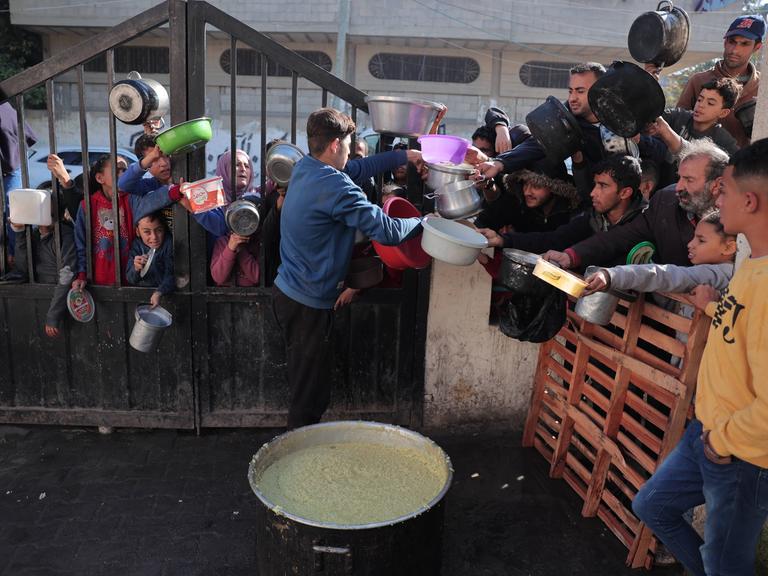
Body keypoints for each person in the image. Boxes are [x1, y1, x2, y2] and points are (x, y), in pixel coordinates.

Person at [631, 138, 768, 576]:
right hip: (708, 432)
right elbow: (742, 325)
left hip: (741, 455)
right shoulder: (753, 262)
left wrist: (720, 443)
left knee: (725, 564)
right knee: (652, 506)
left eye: (722, 189)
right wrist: (711, 306)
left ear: (749, 200)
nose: (716, 196)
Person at [272, 107, 423, 429]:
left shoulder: (305, 168)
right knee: (309, 395)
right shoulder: (336, 187)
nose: (351, 154)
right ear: (336, 145)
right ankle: (298, 460)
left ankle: (301, 444)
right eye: (349, 144)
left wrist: (403, 156)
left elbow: (358, 167)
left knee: (307, 383)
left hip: (289, 293)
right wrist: (424, 221)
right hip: (307, 304)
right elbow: (388, 231)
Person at [543, 140, 729, 271]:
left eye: (688, 180)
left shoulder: (738, 221)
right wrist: (571, 256)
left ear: (717, 184)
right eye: (679, 177)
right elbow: (620, 237)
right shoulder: (665, 201)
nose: (679, 187)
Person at [479, 155, 646, 265]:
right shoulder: (592, 219)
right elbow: (553, 240)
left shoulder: (647, 222)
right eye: (595, 185)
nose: (593, 193)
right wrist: (503, 240)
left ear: (625, 192)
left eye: (602, 186)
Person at [71, 154, 181, 289]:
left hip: (132, 278)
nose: (123, 174)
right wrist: (81, 274)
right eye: (118, 170)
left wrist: (177, 190)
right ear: (100, 178)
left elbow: (152, 201)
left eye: (125, 170)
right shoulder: (87, 205)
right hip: (98, 282)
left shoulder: (131, 199)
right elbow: (81, 244)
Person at [582, 209, 735, 296]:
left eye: (701, 240)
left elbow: (667, 275)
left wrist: (613, 275)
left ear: (729, 247)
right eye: (693, 237)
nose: (690, 244)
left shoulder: (721, 274)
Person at [676, 14, 764, 148]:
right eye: (732, 41)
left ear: (757, 47)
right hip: (696, 163)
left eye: (745, 43)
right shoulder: (699, 81)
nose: (735, 50)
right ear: (725, 42)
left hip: (744, 166)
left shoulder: (763, 88)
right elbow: (676, 125)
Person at [9, 190, 77, 338]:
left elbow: (67, 276)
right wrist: (19, 231)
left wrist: (53, 315)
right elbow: (23, 269)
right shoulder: (33, 234)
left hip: (60, 306)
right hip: (38, 302)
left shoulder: (64, 235)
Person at [651, 77, 740, 165]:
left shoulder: (724, 141)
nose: (701, 105)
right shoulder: (678, 116)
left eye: (710, 103)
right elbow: (654, 117)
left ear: (723, 113)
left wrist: (666, 132)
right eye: (700, 99)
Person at [474, 169, 581, 233]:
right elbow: (488, 217)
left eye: (536, 186)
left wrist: (513, 238)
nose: (527, 192)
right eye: (526, 184)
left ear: (553, 187)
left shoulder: (572, 214)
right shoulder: (519, 202)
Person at [1, 101, 37, 262]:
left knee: (13, 207)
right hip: (12, 161)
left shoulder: (4, 108)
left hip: (13, 163)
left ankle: (14, 256)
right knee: (12, 207)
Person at [125, 212, 174, 308]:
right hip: (141, 298)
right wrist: (136, 268)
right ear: (138, 232)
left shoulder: (169, 244)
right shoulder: (137, 245)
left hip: (166, 297)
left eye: (159, 230)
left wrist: (159, 292)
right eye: (147, 232)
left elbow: (171, 275)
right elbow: (130, 279)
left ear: (164, 229)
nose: (154, 237)